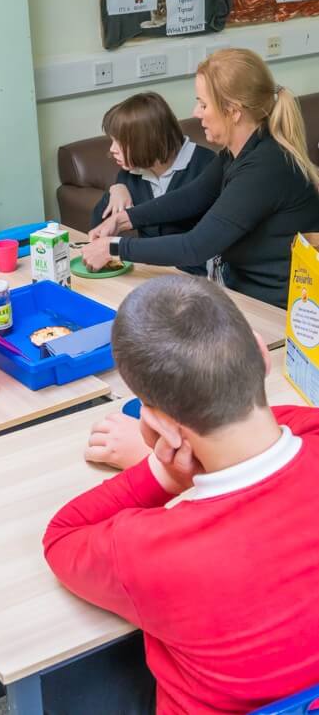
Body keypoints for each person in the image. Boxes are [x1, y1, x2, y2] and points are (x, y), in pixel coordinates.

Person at [43, 274, 319, 715]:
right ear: (262, 355)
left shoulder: (146, 548)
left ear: (162, 425)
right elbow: (299, 423)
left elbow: (62, 536)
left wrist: (164, 474)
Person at [82, 49, 319, 307]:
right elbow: (192, 197)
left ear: (233, 111)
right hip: (243, 293)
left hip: (278, 309)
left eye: (204, 104)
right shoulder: (238, 153)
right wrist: (124, 219)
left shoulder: (265, 167)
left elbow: (196, 246)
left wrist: (114, 247)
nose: (196, 112)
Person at [91, 92, 215, 276]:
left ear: (146, 140)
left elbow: (199, 245)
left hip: (197, 279)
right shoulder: (131, 174)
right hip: (149, 274)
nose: (112, 149)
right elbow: (98, 226)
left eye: (119, 142)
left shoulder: (206, 167)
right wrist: (115, 190)